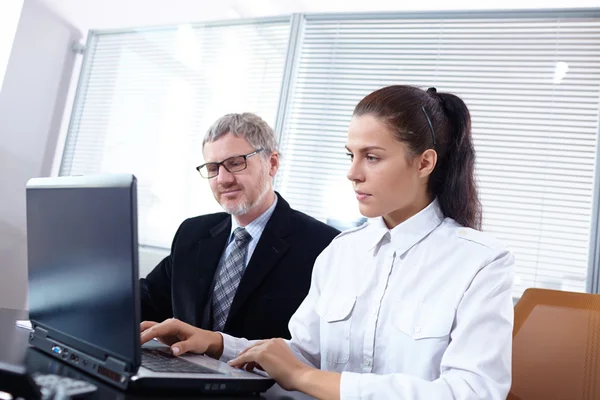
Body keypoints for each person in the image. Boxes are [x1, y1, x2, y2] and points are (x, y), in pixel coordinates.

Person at [140, 86, 515, 399]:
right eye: (351, 156)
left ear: (424, 163)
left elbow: (473, 391)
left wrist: (306, 378)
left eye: (372, 157)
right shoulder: (342, 251)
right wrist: (219, 344)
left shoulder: (481, 262)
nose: (352, 173)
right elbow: (302, 354)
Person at [140, 113, 339, 340]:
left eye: (235, 163)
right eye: (213, 168)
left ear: (272, 164)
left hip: (263, 375)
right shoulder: (192, 232)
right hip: (183, 370)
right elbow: (147, 300)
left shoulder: (323, 245)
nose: (223, 179)